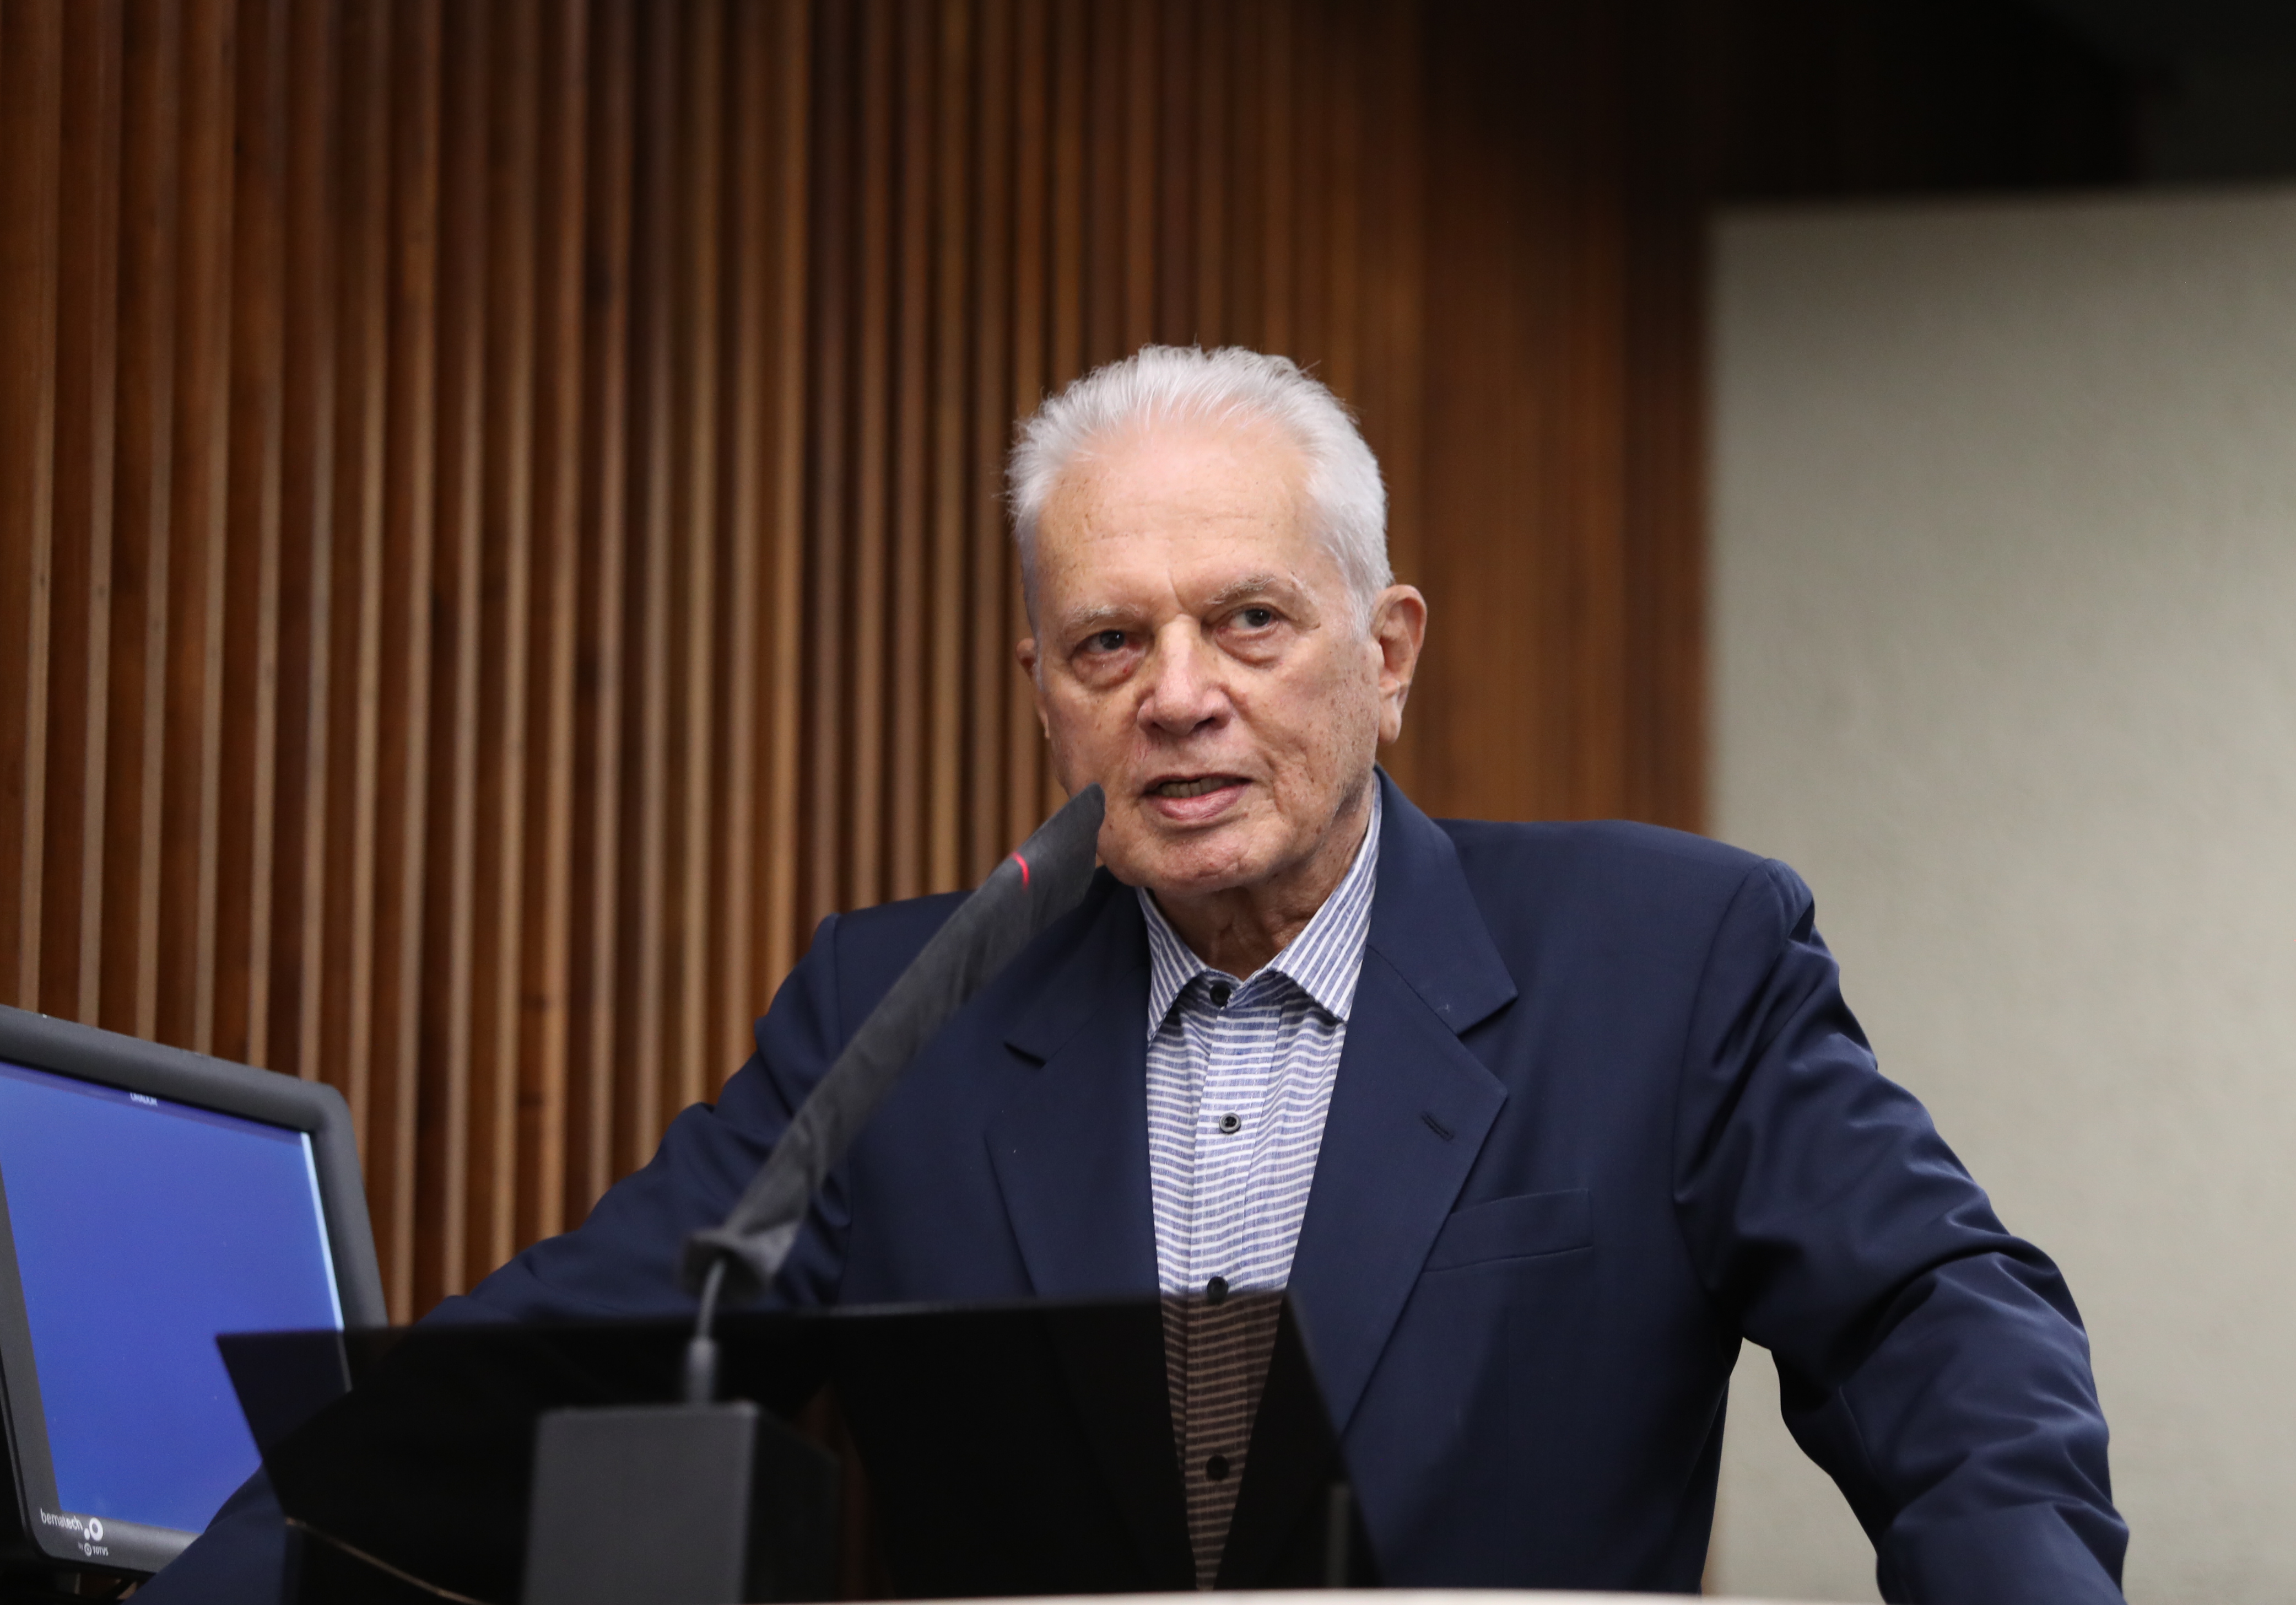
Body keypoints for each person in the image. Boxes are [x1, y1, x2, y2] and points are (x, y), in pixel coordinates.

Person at [148, 346, 2124, 1602]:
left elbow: (1937, 1323)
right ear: (1043, 692)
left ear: (1388, 654)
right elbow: (574, 1359)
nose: (1178, 695)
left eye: (1249, 621)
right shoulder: (900, 1010)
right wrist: (238, 1567)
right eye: (1109, 643)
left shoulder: (1668, 957)